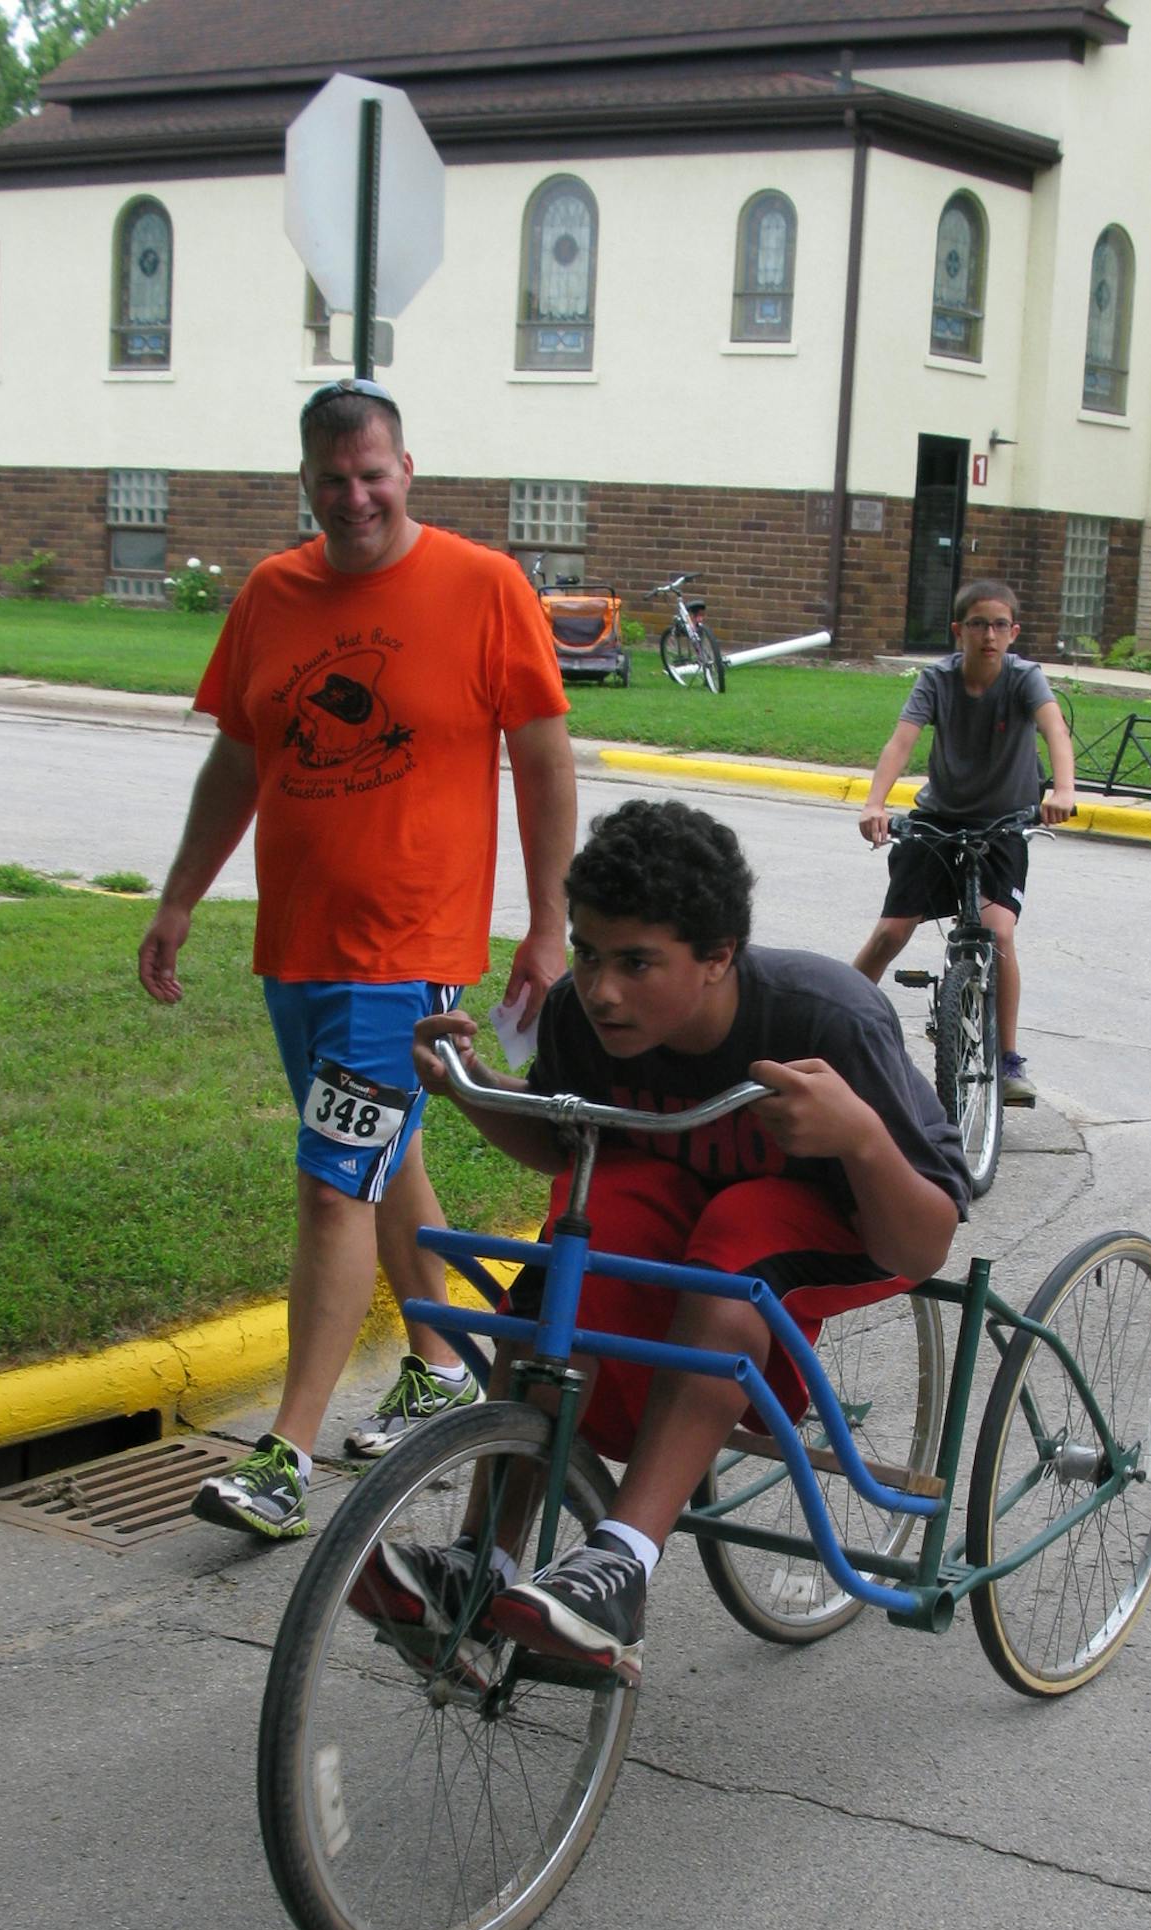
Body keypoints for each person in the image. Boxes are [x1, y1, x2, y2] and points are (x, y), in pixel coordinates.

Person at [357, 798, 969, 1684]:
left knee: (737, 1236)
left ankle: (622, 1564)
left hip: (856, 1211)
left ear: (718, 957)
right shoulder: (582, 1018)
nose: (603, 988)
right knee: (577, 1238)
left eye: (638, 963)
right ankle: (481, 1558)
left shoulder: (822, 1019)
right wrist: (478, 1090)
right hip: (691, 1199)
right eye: (591, 954)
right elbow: (570, 1140)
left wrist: (861, 1138)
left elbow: (926, 1244)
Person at [137, 379, 576, 1540]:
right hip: (298, 946)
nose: (355, 496)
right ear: (307, 485)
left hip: (408, 951)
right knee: (381, 1155)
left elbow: (542, 758)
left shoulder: (483, 588)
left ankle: (282, 1457)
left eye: (372, 473)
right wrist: (181, 895)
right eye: (332, 479)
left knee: (333, 1184)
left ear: (407, 469)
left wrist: (547, 923)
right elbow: (238, 759)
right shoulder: (273, 593)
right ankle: (439, 1365)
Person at [851, 578, 1077, 1107]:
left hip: (1004, 825)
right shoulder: (937, 680)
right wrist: (874, 803)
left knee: (998, 932)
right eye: (978, 624)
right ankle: (835, 1018)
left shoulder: (1025, 679)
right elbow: (901, 741)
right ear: (959, 631)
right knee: (891, 931)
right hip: (938, 820)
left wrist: (1063, 789)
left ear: (1013, 632)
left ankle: (1008, 1059)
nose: (989, 635)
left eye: (1000, 625)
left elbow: (1055, 731)